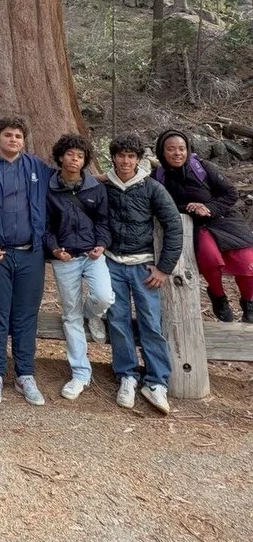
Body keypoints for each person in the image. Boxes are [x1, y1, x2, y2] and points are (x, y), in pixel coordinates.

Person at [0, 116, 53, 406]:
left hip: (31, 253)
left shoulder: (36, 168)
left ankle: (25, 374)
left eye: (18, 135)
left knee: (25, 315)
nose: (13, 140)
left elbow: (70, 179)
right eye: (8, 135)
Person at [104, 133, 183, 414]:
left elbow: (174, 226)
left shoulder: (152, 188)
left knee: (151, 322)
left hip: (143, 266)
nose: (126, 161)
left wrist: (164, 268)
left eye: (131, 156)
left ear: (138, 159)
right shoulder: (104, 185)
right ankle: (126, 375)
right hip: (112, 262)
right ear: (113, 157)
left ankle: (156, 381)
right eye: (121, 155)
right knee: (118, 320)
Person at [154, 128, 253, 324]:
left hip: (224, 219)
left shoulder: (202, 168)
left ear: (188, 150)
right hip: (196, 225)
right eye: (171, 149)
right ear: (162, 152)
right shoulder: (158, 177)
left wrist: (208, 207)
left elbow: (230, 194)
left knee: (247, 262)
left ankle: (248, 302)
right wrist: (190, 208)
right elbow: (157, 204)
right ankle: (219, 297)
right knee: (209, 258)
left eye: (181, 149)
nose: (177, 153)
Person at [44, 133, 114, 401]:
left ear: (86, 161)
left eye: (80, 156)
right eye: (70, 154)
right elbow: (46, 226)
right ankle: (80, 374)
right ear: (61, 156)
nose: (75, 159)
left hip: (92, 255)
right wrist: (53, 249)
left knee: (103, 296)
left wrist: (102, 244)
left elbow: (103, 222)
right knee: (70, 316)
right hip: (65, 258)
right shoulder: (49, 188)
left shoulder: (95, 187)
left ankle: (93, 313)